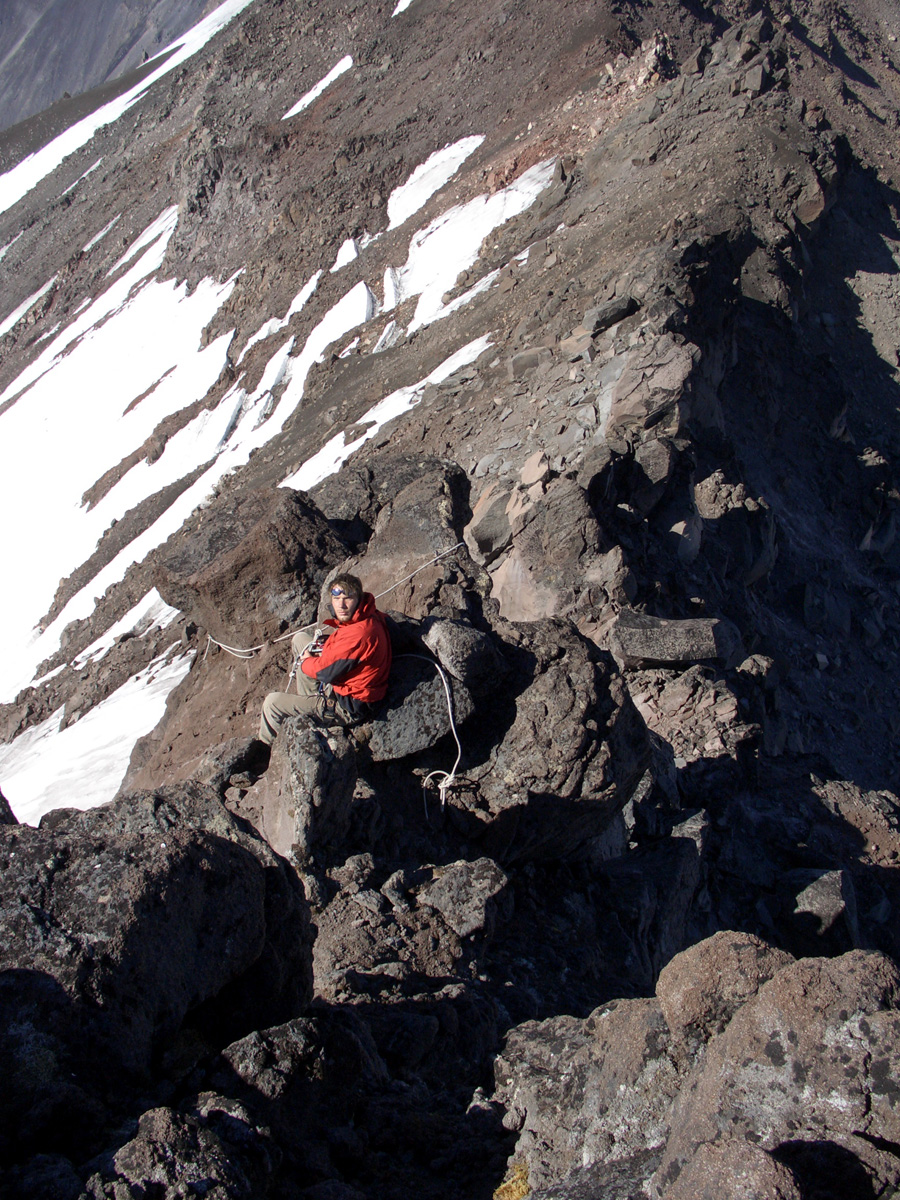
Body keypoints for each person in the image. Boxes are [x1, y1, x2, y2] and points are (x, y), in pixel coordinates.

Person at [257, 574, 392, 746]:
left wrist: (305, 662)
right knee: (300, 639)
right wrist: (330, 645)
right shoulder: (369, 615)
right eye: (337, 598)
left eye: (348, 598)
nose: (341, 605)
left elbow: (324, 672)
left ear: (358, 598)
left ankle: (267, 751)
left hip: (347, 705)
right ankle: (308, 702)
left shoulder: (359, 633)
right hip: (349, 683)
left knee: (272, 703)